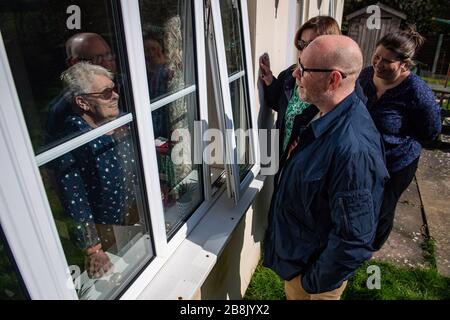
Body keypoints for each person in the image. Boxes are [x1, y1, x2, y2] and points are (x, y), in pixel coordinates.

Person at [263, 35, 389, 300]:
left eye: (304, 69)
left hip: (313, 280)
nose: (296, 73)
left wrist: (311, 283)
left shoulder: (353, 149)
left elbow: (354, 239)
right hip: (301, 261)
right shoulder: (322, 112)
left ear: (333, 79)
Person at [357, 28, 442, 251]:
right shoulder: (365, 76)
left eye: (387, 61)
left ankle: (371, 248)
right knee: (361, 202)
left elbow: (431, 132)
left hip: (397, 162)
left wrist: (398, 139)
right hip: (365, 157)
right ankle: (354, 242)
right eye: (377, 56)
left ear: (404, 64)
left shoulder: (416, 91)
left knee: (383, 207)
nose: (378, 63)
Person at [54, 62, 141, 278]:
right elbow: (75, 199)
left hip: (134, 215)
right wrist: (93, 248)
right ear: (82, 102)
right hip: (105, 231)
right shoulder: (74, 140)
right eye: (106, 92)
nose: (115, 96)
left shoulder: (120, 120)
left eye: (114, 88)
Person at [259, 16, 341, 173]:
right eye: (301, 44)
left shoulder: (336, 87)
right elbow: (279, 103)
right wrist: (270, 80)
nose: (304, 50)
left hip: (310, 171)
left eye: (310, 44)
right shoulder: (291, 74)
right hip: (284, 161)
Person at [46, 33, 117, 142]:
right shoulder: (60, 111)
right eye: (97, 59)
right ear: (74, 63)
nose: (107, 63)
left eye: (108, 55)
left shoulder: (126, 84)